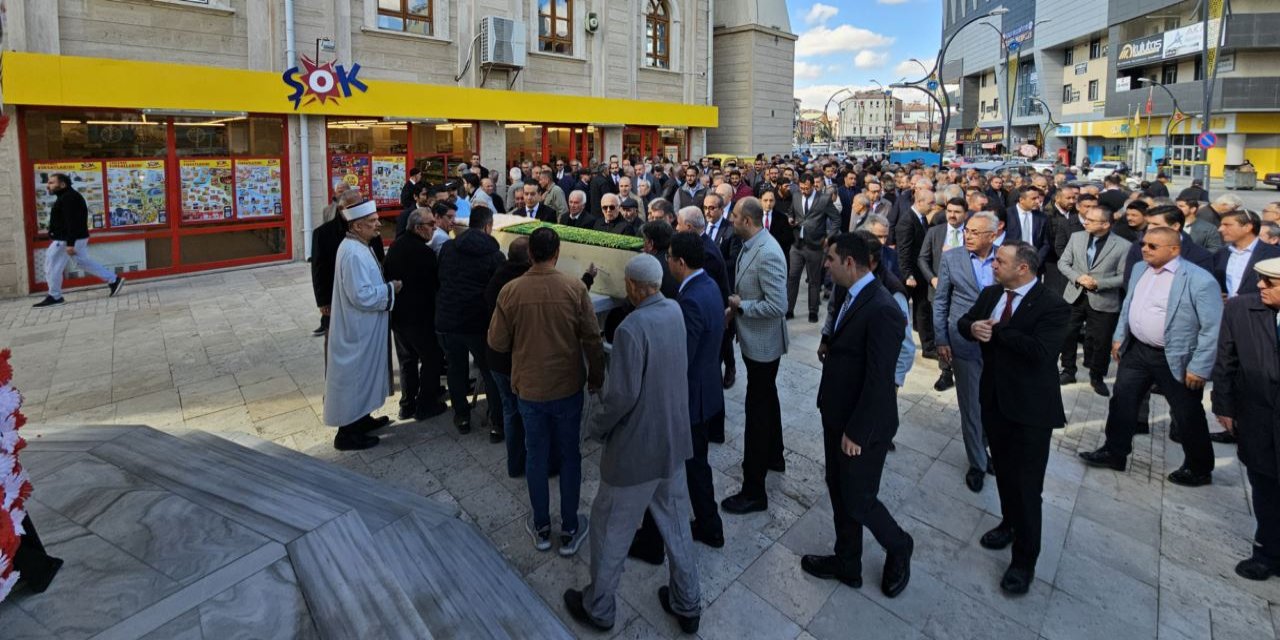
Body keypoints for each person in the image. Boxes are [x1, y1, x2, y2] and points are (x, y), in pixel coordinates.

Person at [563, 254, 702, 634]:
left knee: (610, 531)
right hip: (672, 441)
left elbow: (621, 396)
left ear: (638, 288)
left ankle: (599, 607)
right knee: (676, 525)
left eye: (628, 282)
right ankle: (687, 603)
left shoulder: (631, 329)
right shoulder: (674, 310)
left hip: (636, 451)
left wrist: (596, 425)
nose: (626, 287)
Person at [802, 232, 914, 598]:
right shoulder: (851, 294)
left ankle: (899, 545)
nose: (826, 266)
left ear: (849, 262)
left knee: (859, 497)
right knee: (839, 488)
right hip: (837, 411)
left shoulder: (883, 307)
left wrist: (857, 430)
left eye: (830, 260)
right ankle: (847, 560)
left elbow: (880, 379)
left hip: (860, 425)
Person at [958, 241, 1070, 595]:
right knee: (1004, 474)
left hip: (1030, 410)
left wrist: (995, 330)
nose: (993, 264)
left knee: (1027, 488)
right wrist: (972, 329)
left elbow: (1040, 351)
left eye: (1000, 261)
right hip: (994, 401)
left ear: (1023, 268)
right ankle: (1008, 524)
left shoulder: (1053, 305)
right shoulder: (992, 293)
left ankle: (1024, 561)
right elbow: (966, 321)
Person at [488, 227, 605, 554]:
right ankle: (569, 528)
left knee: (535, 455)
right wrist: (596, 377)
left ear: (530, 254)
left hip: (529, 388)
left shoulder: (510, 291)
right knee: (570, 455)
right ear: (557, 253)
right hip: (567, 386)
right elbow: (593, 340)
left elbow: (496, 341)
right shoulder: (574, 288)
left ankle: (541, 527)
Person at [1079, 228, 1222, 486]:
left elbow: (1212, 328)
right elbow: (1130, 305)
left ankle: (1199, 467)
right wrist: (1120, 336)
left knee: (1186, 412)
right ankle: (1114, 451)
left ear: (1174, 250)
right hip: (1137, 351)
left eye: (1153, 246)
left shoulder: (1199, 280)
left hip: (1175, 356)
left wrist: (1200, 366)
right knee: (1122, 401)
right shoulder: (1139, 269)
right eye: (1144, 244)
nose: (1145, 249)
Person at [629, 233, 727, 564]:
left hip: (689, 398)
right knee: (696, 466)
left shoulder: (691, 302)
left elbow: (680, 357)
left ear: (680, 263)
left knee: (663, 472)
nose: (666, 263)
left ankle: (652, 544)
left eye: (669, 258)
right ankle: (710, 526)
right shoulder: (708, 286)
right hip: (704, 392)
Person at [1211, 257, 1280, 581]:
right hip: (1259, 418)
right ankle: (1266, 552)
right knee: (1265, 486)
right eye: (1260, 279)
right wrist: (1223, 405)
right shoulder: (1241, 310)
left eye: (1271, 282)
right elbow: (1226, 358)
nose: (1261, 286)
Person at [720, 197, 790, 515]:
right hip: (754, 343)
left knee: (757, 413)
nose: (729, 220)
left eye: (734, 216)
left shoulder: (768, 253)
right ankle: (775, 455)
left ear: (747, 221)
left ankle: (754, 490)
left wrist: (741, 306)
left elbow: (778, 306)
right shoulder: (751, 245)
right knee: (767, 398)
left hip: (763, 346)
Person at [322, 199, 402, 451]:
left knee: (367, 374)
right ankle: (348, 432)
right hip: (357, 331)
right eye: (372, 222)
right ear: (356, 226)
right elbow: (362, 295)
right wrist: (391, 288)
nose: (379, 224)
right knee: (356, 378)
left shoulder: (359, 245)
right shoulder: (353, 252)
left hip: (366, 328)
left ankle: (362, 418)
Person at [934, 211, 999, 493]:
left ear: (992, 236)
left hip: (998, 345)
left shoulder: (1005, 257)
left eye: (975, 232)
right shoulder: (952, 258)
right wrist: (941, 339)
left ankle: (984, 448)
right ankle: (977, 462)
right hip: (962, 342)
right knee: (971, 405)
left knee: (992, 403)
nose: (968, 236)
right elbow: (941, 302)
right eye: (967, 231)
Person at [435, 206, 505, 438]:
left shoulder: (448, 247)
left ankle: (462, 415)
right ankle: (497, 422)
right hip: (477, 321)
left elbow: (441, 277)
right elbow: (498, 291)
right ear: (487, 226)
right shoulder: (495, 255)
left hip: (448, 318)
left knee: (456, 369)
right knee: (489, 371)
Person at [383, 208, 448, 423]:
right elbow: (434, 285)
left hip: (399, 316)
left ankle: (407, 404)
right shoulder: (424, 252)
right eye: (431, 224)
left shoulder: (396, 246)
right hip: (419, 316)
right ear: (419, 228)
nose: (434, 227)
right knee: (430, 358)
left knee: (407, 361)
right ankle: (425, 404)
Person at [1058, 205, 1131, 396]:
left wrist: (1099, 283)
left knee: (1101, 340)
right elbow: (1063, 263)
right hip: (1074, 294)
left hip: (1103, 299)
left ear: (1105, 224)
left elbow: (1124, 276)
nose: (1085, 222)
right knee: (1068, 333)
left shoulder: (1123, 246)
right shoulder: (1077, 237)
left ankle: (1097, 376)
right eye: (1085, 218)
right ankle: (1068, 370)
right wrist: (1077, 277)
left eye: (1091, 220)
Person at [34, 173, 125, 307]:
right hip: (74, 238)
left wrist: (70, 243)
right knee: (82, 262)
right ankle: (114, 280)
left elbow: (73, 222)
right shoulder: (68, 196)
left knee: (52, 266)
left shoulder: (68, 198)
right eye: (48, 182)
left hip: (66, 239)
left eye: (52, 183)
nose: (48, 185)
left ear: (63, 184)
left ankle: (55, 296)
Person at [311, 188, 385, 339]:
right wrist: (323, 301)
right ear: (341, 209)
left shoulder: (370, 230)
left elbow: (380, 259)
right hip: (335, 294)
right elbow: (319, 268)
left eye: (360, 205)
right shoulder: (323, 233)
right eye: (353, 207)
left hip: (365, 291)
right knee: (333, 336)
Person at [917, 197, 967, 392]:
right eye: (949, 211)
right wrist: (932, 278)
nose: (952, 215)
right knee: (942, 330)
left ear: (966, 214)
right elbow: (922, 258)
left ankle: (963, 367)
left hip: (963, 293)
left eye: (957, 212)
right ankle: (946, 372)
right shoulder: (935, 232)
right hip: (938, 291)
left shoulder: (969, 234)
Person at [788, 173, 841, 322]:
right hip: (797, 244)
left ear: (813, 186)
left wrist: (829, 237)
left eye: (807, 188)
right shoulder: (796, 196)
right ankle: (789, 309)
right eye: (802, 188)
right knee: (792, 278)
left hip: (815, 245)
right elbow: (792, 212)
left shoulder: (823, 200)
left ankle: (813, 311)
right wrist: (790, 219)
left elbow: (836, 219)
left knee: (814, 280)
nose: (804, 190)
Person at [896, 189, 936, 357]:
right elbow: (903, 251)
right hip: (910, 276)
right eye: (930, 203)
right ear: (919, 202)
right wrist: (908, 275)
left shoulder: (921, 219)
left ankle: (928, 348)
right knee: (901, 310)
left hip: (920, 274)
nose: (933, 206)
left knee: (923, 309)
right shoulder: (907, 221)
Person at [1214, 210, 1280, 299]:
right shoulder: (1221, 254)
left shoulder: (1273, 254)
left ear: (1247, 227)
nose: (1220, 229)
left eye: (1227, 225)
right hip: (1227, 309)